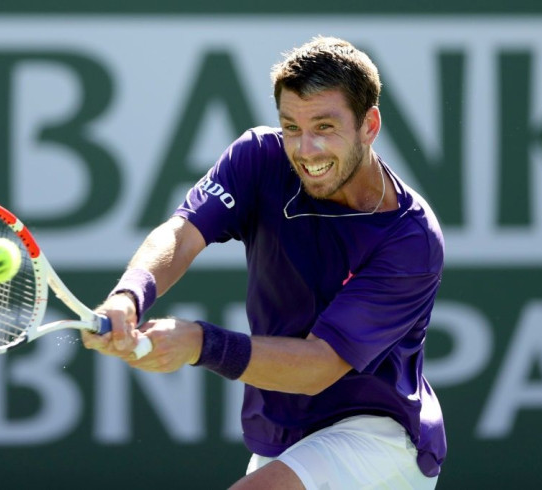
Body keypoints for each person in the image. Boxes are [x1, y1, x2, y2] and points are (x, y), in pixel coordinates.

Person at [82, 35, 446, 489]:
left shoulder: (410, 239)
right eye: (291, 126)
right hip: (283, 437)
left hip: (380, 435)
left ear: (368, 125)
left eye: (325, 127)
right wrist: (130, 293)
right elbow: (184, 232)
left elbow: (319, 365)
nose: (306, 149)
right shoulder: (258, 157)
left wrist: (199, 343)